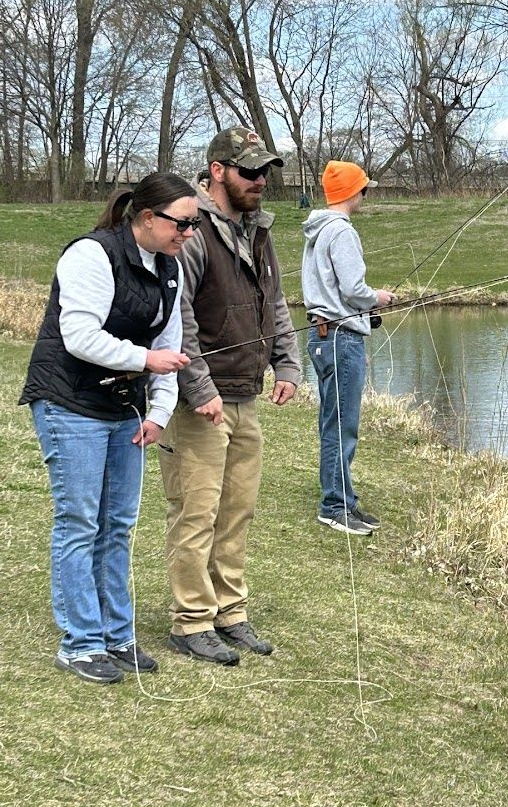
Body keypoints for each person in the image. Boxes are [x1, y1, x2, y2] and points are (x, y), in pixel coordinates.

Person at [20, 173, 198, 684]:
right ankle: (80, 643)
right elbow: (79, 335)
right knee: (80, 521)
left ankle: (117, 636)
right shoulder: (91, 255)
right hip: (68, 401)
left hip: (126, 410)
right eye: (182, 223)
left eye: (194, 224)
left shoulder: (170, 267)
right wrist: (145, 359)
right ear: (148, 218)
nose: (188, 233)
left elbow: (171, 345)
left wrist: (160, 413)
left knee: (117, 524)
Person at [160, 125, 301, 666]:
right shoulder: (190, 232)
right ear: (217, 171)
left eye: (265, 170)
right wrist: (198, 389)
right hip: (199, 401)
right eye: (249, 170)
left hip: (245, 394)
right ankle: (191, 620)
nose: (260, 180)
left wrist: (287, 363)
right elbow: (180, 320)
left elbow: (278, 304)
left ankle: (230, 612)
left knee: (236, 510)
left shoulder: (259, 231)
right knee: (196, 511)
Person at [301, 160, 395, 537]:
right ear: (354, 192)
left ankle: (344, 498)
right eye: (364, 189)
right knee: (342, 424)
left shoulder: (317, 229)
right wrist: (380, 297)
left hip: (328, 336)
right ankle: (335, 506)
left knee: (336, 421)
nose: (365, 194)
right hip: (339, 336)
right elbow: (354, 290)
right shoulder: (340, 231)